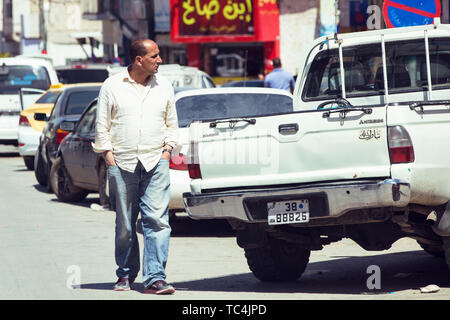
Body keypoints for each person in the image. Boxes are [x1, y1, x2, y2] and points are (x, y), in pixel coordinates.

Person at [93, 39, 178, 295]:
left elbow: (171, 123)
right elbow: (101, 125)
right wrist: (108, 156)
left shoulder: (164, 86)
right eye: (154, 56)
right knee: (126, 223)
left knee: (157, 221)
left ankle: (155, 278)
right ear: (138, 59)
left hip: (156, 161)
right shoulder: (112, 86)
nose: (159, 60)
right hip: (122, 163)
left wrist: (167, 152)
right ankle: (126, 275)